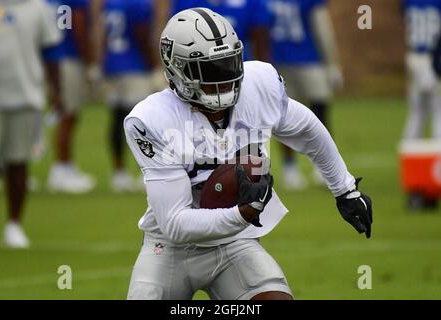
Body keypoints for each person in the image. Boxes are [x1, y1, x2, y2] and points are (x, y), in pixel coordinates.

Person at [124, 8, 372, 300]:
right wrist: (243, 213)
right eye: (210, 69)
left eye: (228, 64)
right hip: (168, 249)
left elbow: (306, 129)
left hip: (234, 244)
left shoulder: (258, 85)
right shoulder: (151, 119)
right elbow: (176, 224)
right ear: (178, 70)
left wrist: (345, 190)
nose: (225, 78)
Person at [0, 0, 61, 248]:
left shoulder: (39, 8)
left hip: (25, 95)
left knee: (17, 161)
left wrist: (56, 91)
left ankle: (13, 225)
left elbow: (51, 52)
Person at [268, 0, 343, 190]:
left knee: (318, 114)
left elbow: (321, 28)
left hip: (306, 60)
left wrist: (331, 63)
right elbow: (323, 29)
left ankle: (322, 166)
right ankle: (291, 167)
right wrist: (332, 64)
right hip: (284, 62)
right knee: (284, 119)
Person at [99, 0, 155, 192]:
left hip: (113, 64)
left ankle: (119, 172)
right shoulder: (138, 4)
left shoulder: (110, 3)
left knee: (116, 120)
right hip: (135, 65)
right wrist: (153, 62)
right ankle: (145, 171)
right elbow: (141, 33)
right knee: (142, 123)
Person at [47, 0, 96, 193]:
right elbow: (78, 24)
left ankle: (65, 166)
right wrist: (91, 59)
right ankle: (61, 167)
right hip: (68, 57)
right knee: (68, 114)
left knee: (62, 113)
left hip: (50, 58)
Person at [403, 0, 441, 140]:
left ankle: (410, 148)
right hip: (432, 58)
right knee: (437, 110)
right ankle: (437, 152)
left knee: (417, 112)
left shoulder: (409, 3)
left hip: (413, 57)